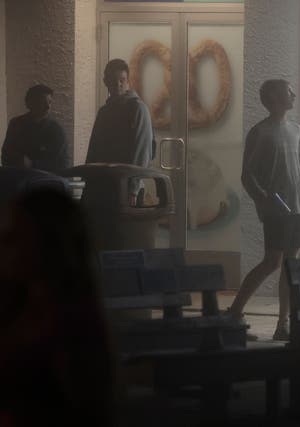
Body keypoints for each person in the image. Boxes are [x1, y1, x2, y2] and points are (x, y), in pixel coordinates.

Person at [226, 79, 300, 341]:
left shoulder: (296, 129)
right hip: (276, 210)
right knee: (272, 261)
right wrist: (263, 199)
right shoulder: (260, 133)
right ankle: (234, 312)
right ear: (273, 97)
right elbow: (247, 175)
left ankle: (282, 324)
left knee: (291, 266)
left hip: (298, 206)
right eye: (288, 91)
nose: (293, 94)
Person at [0, 188, 115, 426]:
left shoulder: (69, 324)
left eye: (15, 237)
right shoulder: (21, 308)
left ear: (48, 243)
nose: (4, 245)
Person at [86, 58, 153, 205]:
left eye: (122, 80)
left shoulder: (137, 108)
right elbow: (94, 148)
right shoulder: (104, 112)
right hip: (104, 184)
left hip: (128, 187)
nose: (117, 84)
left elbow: (142, 151)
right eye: (113, 80)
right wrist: (88, 180)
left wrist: (133, 189)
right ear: (105, 81)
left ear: (128, 81)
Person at [1, 84, 71, 174]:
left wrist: (32, 164)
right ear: (29, 103)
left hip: (48, 179)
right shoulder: (16, 124)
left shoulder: (56, 129)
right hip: (18, 176)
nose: (48, 107)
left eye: (50, 102)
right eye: (43, 102)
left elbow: (61, 164)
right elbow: (6, 155)